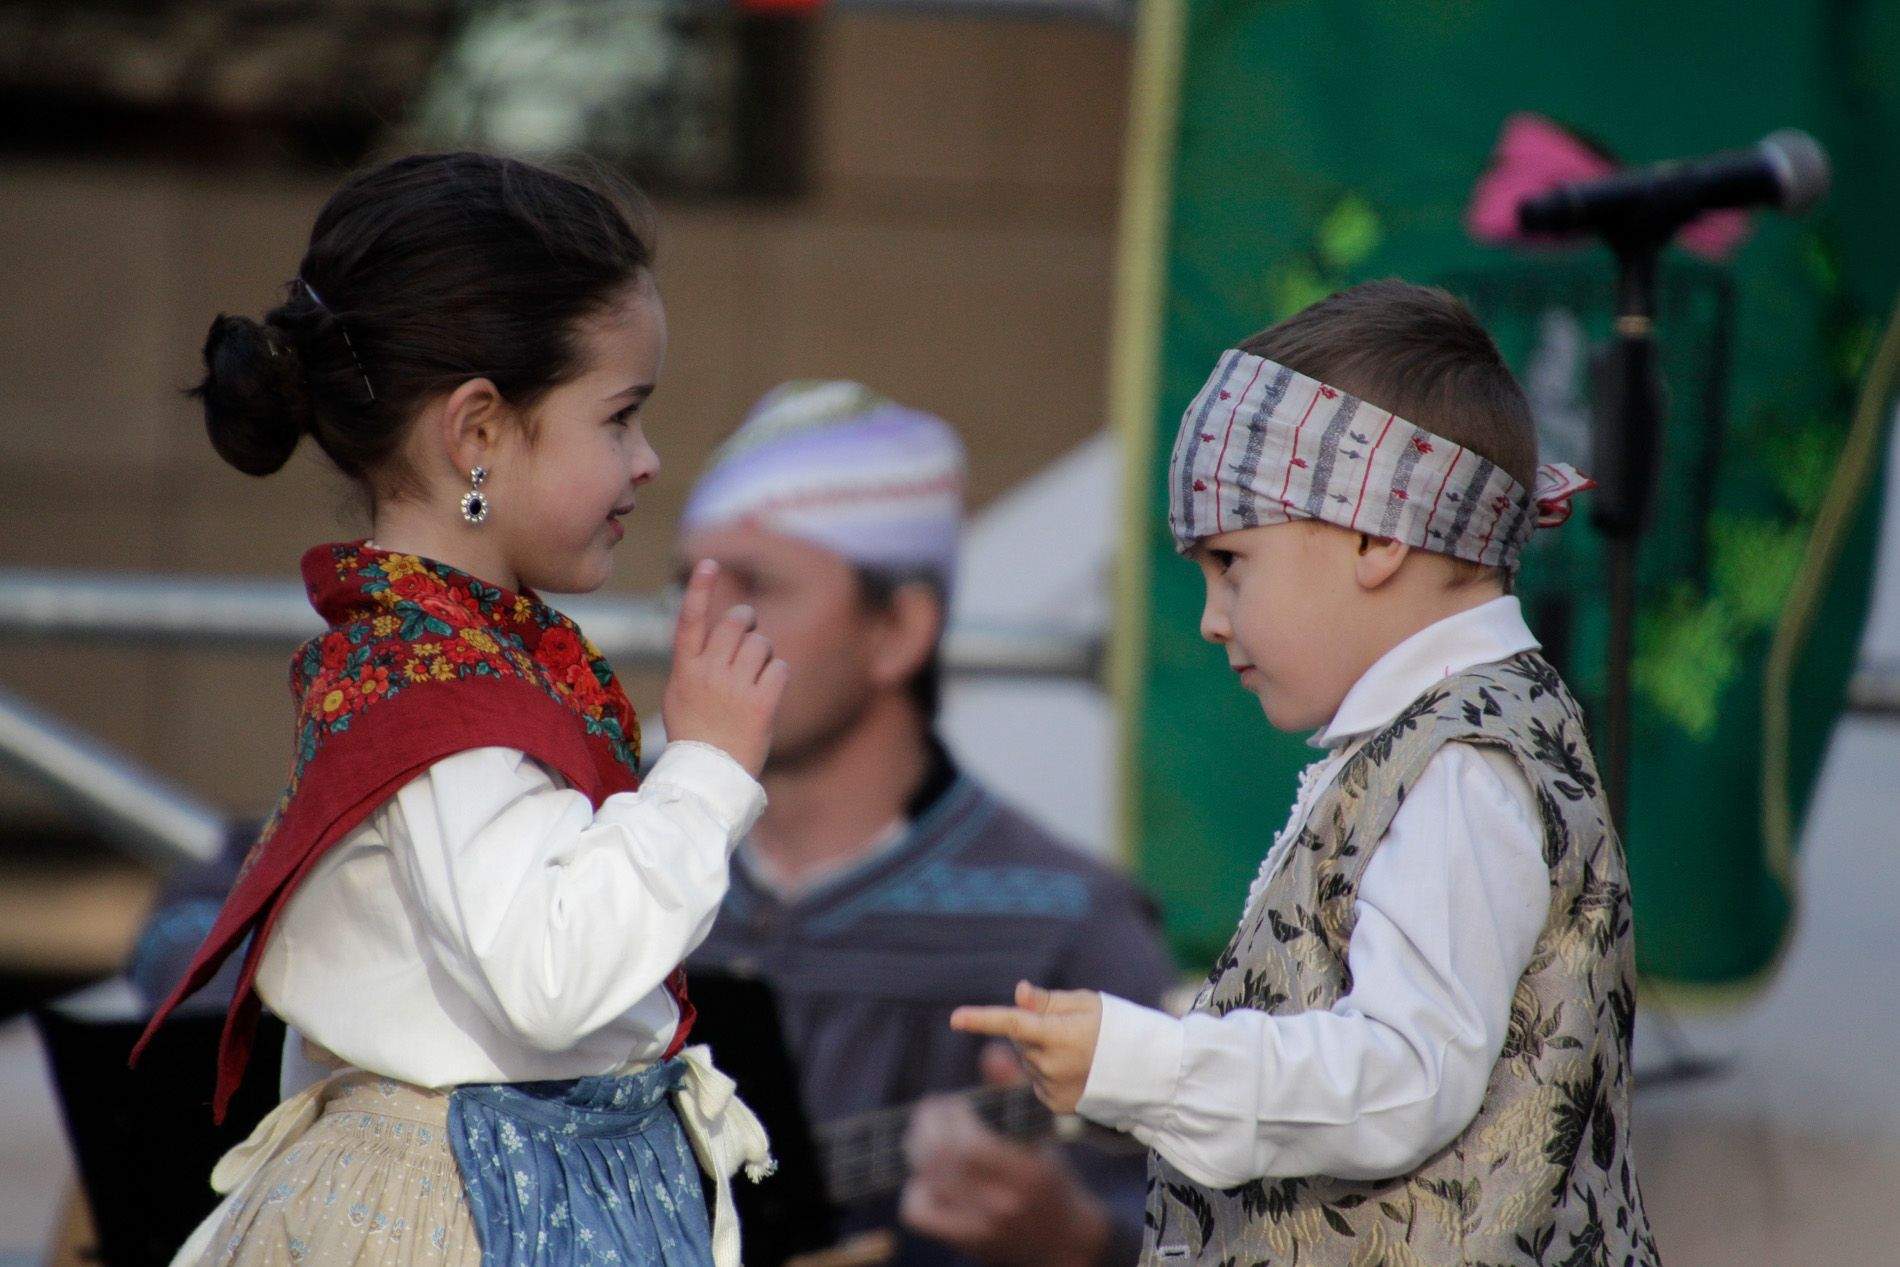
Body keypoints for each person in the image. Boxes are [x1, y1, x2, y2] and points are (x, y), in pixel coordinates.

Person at [133, 151, 787, 1267]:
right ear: (476, 431)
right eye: (620, 417)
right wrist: (710, 768)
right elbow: (551, 974)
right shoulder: (446, 695)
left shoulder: (442, 658)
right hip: (474, 1214)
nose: (647, 460)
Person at [953, 281, 1661, 1265]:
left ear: (1375, 536)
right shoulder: (1427, 744)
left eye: (1231, 563)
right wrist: (1124, 1063)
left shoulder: (1461, 763)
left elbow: (1405, 1073)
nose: (1210, 616)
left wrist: (1152, 1064)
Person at [677, 381, 1179, 1266]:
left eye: (754, 584)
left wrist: (1076, 1240)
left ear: (900, 628)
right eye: (689, 584)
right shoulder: (620, 859)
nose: (700, 627)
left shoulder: (1065, 924)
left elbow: (1196, 1229)